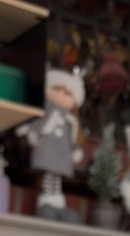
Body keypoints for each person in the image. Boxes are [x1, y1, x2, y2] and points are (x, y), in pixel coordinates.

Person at [16, 68, 85, 223]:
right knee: (47, 176)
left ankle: (57, 203)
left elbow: (74, 136)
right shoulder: (46, 111)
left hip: (61, 153)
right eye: (57, 90)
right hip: (47, 149)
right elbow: (37, 125)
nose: (61, 95)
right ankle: (45, 201)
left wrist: (75, 150)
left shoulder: (71, 120)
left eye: (67, 93)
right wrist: (29, 130)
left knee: (56, 178)